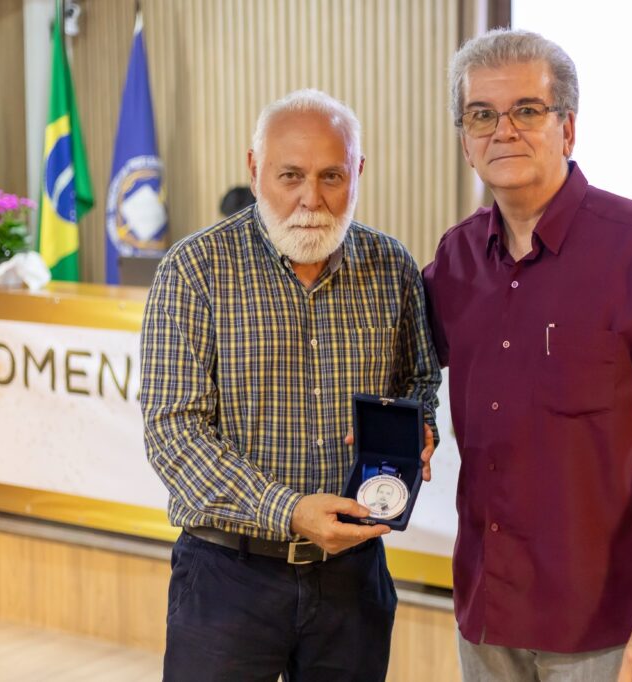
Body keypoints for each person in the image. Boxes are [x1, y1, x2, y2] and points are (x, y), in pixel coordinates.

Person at [422, 29, 632, 682]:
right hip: (486, 612)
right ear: (464, 141)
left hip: (608, 626)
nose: (503, 130)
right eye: (481, 115)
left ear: (567, 128)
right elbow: (408, 365)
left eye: (526, 110)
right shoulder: (456, 258)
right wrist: (413, 420)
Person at [140, 89, 440, 682]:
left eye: (332, 176)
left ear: (358, 172)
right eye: (290, 175)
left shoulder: (393, 268)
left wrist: (417, 426)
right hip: (228, 577)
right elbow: (173, 433)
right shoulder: (194, 270)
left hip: (353, 578)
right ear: (254, 169)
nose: (311, 198)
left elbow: (419, 377)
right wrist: (291, 511)